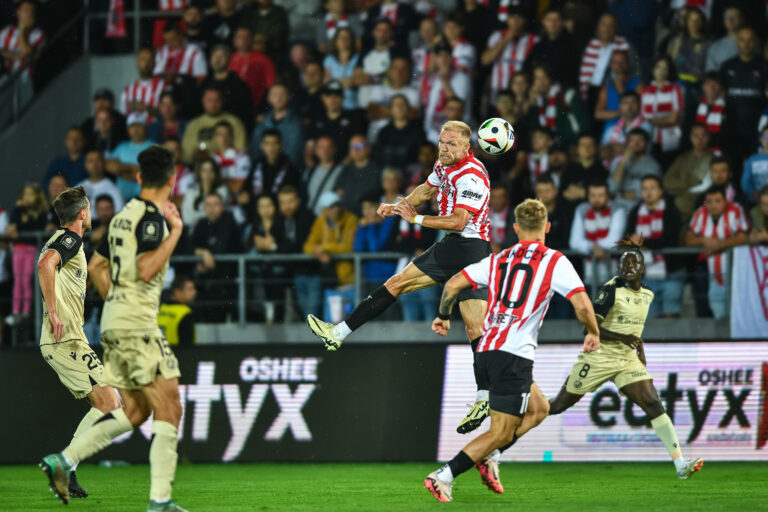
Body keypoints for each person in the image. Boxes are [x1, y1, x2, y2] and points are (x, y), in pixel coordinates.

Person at [308, 121, 495, 434]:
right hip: (461, 250)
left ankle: (338, 332)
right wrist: (399, 205)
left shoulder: (473, 175)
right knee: (461, 320)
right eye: (441, 142)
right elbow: (427, 188)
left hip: (468, 250)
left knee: (465, 322)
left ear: (467, 147)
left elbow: (459, 221)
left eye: (451, 144)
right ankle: (485, 395)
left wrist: (416, 218)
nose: (444, 148)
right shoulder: (444, 164)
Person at [423, 198, 600, 502]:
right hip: (513, 354)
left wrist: (442, 315)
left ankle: (490, 457)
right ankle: (443, 476)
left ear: (516, 228)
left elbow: (453, 284)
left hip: (488, 349)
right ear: (547, 227)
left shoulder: (498, 259)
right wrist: (593, 332)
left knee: (540, 408)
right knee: (502, 432)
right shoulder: (553, 260)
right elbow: (583, 304)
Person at [41, 146, 188, 512]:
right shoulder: (149, 220)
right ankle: (160, 501)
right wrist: (175, 234)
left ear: (138, 178)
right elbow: (146, 269)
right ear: (171, 180)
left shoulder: (122, 217)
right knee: (168, 404)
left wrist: (116, 303)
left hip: (112, 323)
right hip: (120, 326)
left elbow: (97, 269)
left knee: (131, 409)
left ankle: (66, 462)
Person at [544, 239, 703, 479]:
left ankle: (680, 464)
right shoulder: (611, 290)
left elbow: (634, 332)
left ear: (643, 269)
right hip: (599, 356)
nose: (628, 265)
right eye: (624, 262)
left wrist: (639, 349)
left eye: (634, 262)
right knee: (556, 406)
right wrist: (622, 336)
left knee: (653, 404)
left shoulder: (647, 295)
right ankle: (518, 412)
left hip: (626, 360)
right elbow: (590, 326)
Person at [36, 186, 121, 501]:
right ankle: (64, 465)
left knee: (105, 404)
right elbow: (45, 265)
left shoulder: (68, 243)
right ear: (83, 212)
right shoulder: (68, 239)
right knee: (111, 403)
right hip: (65, 340)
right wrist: (54, 313)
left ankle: (67, 468)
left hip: (69, 339)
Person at [686, 185, 750, 318]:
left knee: (737, 313)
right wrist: (704, 240)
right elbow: (689, 239)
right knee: (718, 313)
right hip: (714, 274)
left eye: (717, 200)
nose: (713, 205)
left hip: (735, 272)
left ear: (725, 201)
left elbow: (744, 238)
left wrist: (719, 245)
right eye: (709, 201)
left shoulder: (736, 210)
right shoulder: (700, 213)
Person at [625, 175, 684, 318]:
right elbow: (628, 238)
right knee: (650, 323)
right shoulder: (635, 212)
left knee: (671, 320)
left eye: (652, 188)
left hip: (671, 273)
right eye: (644, 189)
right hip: (646, 275)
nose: (648, 192)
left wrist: (643, 242)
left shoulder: (671, 211)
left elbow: (671, 241)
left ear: (660, 191)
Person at [302, 191, 358, 310]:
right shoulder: (320, 222)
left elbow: (348, 247)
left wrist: (324, 248)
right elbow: (307, 246)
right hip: (331, 283)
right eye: (331, 207)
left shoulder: (351, 219)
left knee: (352, 322)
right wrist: (318, 252)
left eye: (338, 205)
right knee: (331, 325)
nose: (336, 209)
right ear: (324, 210)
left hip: (349, 282)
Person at [721, 27, 768, 166]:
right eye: (742, 40)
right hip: (733, 128)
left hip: (757, 130)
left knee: (756, 167)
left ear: (756, 42)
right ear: (737, 41)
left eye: (750, 40)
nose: (746, 44)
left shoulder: (764, 66)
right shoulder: (727, 66)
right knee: (733, 168)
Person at [192, 193, 242, 323]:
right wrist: (202, 252)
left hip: (228, 281)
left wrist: (205, 254)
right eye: (208, 205)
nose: (212, 208)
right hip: (207, 280)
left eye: (216, 205)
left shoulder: (229, 220)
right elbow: (189, 246)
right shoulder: (201, 223)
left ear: (222, 207)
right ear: (204, 208)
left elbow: (222, 248)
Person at [5, 183, 49, 326]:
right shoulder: (18, 211)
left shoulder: (41, 212)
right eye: (26, 195)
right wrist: (18, 208)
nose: (28, 198)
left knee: (26, 279)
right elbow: (13, 223)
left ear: (37, 196)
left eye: (31, 194)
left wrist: (21, 226)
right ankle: (16, 311)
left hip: (31, 249)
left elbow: (36, 226)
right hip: (18, 248)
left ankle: (26, 310)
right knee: (18, 280)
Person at [569, 181, 627, 288]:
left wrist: (591, 246)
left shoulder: (618, 209)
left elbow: (614, 240)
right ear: (588, 196)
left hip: (614, 276)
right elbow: (574, 241)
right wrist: (593, 247)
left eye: (600, 195)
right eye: (593, 195)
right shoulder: (582, 209)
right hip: (588, 276)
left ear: (608, 196)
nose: (596, 199)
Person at [272, 185, 317, 317]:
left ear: (298, 201)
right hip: (293, 274)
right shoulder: (279, 219)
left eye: (290, 201)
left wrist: (275, 246)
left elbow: (300, 246)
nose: (287, 206)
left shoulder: (307, 217)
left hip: (310, 272)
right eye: (283, 202)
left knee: (311, 317)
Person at [481, 7, 538, 102]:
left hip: (521, 95)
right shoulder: (497, 36)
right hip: (498, 92)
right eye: (512, 18)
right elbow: (485, 60)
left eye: (519, 18)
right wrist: (505, 39)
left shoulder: (534, 40)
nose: (515, 21)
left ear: (525, 21)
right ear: (507, 20)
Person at [358, 56, 420, 143]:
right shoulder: (378, 89)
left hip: (401, 138)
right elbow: (371, 113)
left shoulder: (413, 93)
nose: (399, 72)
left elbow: (412, 115)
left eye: (403, 69)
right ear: (390, 71)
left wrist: (381, 109)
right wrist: (400, 112)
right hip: (375, 137)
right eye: (396, 68)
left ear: (409, 72)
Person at [526, 65, 590, 147]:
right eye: (537, 78)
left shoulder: (566, 96)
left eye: (544, 77)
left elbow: (584, 124)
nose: (540, 82)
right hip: (549, 148)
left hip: (572, 145)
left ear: (551, 79)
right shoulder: (536, 101)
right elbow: (534, 129)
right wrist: (533, 105)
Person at [578, 13, 631, 109]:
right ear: (598, 26)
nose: (606, 28)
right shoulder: (590, 45)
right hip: (590, 91)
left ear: (616, 28)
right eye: (603, 24)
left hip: (610, 90)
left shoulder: (623, 45)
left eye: (610, 25)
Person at [423, 42, 472, 144]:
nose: (443, 59)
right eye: (439, 56)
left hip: (455, 133)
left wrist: (444, 80)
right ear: (435, 59)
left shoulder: (461, 77)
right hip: (431, 132)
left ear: (451, 58)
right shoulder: (432, 78)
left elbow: (457, 108)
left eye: (446, 55)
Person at [181, 87, 247, 164]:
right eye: (209, 100)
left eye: (216, 100)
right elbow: (186, 155)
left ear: (222, 101)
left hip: (228, 167)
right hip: (199, 168)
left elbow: (242, 151)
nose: (213, 104)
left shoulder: (234, 122)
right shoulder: (194, 124)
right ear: (203, 101)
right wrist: (195, 156)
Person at [663, 123, 714, 222]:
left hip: (703, 202)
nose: (700, 139)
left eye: (703, 136)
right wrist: (690, 182)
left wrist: (681, 186)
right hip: (681, 202)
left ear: (708, 137)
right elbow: (667, 181)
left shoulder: (714, 158)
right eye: (696, 136)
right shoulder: (682, 158)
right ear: (691, 137)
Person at [242, 129, 300, 213]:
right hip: (256, 213)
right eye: (267, 144)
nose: (271, 148)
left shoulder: (290, 169)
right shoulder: (256, 164)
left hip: (278, 214)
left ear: (281, 145)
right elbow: (246, 188)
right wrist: (244, 194)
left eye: (275, 143)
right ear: (262, 146)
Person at [200, 44, 255, 133]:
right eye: (215, 55)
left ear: (229, 59)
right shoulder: (204, 84)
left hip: (233, 132)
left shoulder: (239, 86)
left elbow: (247, 115)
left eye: (222, 56)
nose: (217, 59)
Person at [0, 0, 45, 105]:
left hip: (25, 79)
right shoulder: (6, 31)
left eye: (32, 11)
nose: (30, 13)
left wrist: (22, 30)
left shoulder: (38, 34)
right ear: (18, 12)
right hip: (6, 76)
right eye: (26, 10)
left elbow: (29, 55)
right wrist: (19, 56)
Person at [250, 83, 305, 168]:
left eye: (282, 94)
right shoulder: (263, 122)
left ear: (289, 97)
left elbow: (293, 155)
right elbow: (255, 150)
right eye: (275, 94)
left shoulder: (296, 124)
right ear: (269, 98)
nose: (279, 98)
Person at [641, 56, 684, 165]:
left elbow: (673, 119)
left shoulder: (675, 89)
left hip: (670, 138)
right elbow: (642, 117)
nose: (661, 71)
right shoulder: (645, 91)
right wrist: (663, 119)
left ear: (669, 72)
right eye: (658, 67)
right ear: (653, 69)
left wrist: (650, 120)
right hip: (649, 138)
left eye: (665, 68)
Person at [608, 128, 662, 211]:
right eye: (632, 140)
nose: (636, 144)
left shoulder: (652, 165)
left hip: (638, 207)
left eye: (640, 140)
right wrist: (623, 161)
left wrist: (620, 194)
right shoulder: (618, 162)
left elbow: (649, 193)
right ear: (627, 143)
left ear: (646, 143)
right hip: (615, 205)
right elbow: (611, 188)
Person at [107, 112, 156, 201]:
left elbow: (150, 174)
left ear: (146, 128)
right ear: (128, 129)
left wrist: (123, 169)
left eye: (139, 125)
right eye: (132, 126)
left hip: (147, 199)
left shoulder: (155, 147)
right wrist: (136, 169)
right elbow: (110, 167)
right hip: (122, 199)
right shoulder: (121, 147)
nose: (136, 129)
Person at [308, 80, 366, 156]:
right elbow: (310, 145)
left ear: (343, 97)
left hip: (346, 164)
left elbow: (359, 145)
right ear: (322, 98)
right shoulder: (317, 119)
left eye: (337, 95)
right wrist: (310, 163)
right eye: (328, 95)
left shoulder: (353, 118)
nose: (333, 100)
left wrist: (346, 163)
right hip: (321, 165)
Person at [595, 51, 641, 143]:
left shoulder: (638, 85)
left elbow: (639, 112)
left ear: (628, 64)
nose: (619, 66)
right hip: (610, 133)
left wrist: (621, 90)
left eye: (622, 62)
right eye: (615, 63)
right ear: (611, 65)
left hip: (633, 131)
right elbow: (598, 114)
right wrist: (621, 112)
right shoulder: (607, 87)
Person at [526, 8, 579, 88]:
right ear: (543, 21)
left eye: (556, 20)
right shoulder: (538, 45)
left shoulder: (571, 46)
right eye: (549, 20)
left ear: (563, 22)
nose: (552, 23)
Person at [229, 26, 277, 112]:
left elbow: (272, 86)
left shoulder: (264, 60)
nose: (244, 40)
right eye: (240, 37)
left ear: (252, 40)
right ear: (235, 40)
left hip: (255, 106)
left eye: (247, 37)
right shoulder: (229, 58)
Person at [354, 195, 398, 286]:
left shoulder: (388, 222)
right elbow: (358, 249)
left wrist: (372, 225)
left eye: (370, 207)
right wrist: (362, 228)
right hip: (369, 277)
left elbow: (375, 247)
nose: (367, 212)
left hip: (388, 277)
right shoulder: (364, 225)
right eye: (364, 208)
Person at [372, 94, 424, 169]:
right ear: (391, 110)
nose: (399, 108)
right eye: (396, 105)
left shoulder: (418, 132)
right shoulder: (383, 132)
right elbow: (378, 158)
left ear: (408, 108)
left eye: (402, 104)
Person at [335, 134, 381, 216]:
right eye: (352, 146)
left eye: (360, 146)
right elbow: (338, 193)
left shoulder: (377, 170)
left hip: (368, 217)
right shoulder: (346, 170)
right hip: (346, 217)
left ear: (368, 148)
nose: (356, 149)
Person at [181, 158, 231, 233]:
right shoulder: (192, 192)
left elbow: (216, 215)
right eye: (204, 170)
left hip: (217, 230)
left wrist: (208, 191)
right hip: (195, 232)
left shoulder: (222, 190)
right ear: (200, 173)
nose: (208, 174)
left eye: (211, 170)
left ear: (215, 173)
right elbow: (187, 218)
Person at [601, 91, 652, 159]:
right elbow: (602, 152)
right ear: (620, 106)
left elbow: (639, 150)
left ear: (639, 105)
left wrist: (612, 148)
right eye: (625, 103)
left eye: (633, 102)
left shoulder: (646, 126)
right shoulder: (612, 129)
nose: (629, 107)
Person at [561, 134, 609, 206]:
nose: (587, 148)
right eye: (583, 145)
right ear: (577, 148)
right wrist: (585, 193)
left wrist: (584, 193)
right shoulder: (569, 170)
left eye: (590, 145)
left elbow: (603, 196)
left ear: (595, 148)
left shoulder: (602, 171)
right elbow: (563, 193)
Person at [121, 48, 167, 118]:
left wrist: (146, 108)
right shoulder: (128, 90)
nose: (146, 63)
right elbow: (123, 116)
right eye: (143, 59)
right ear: (137, 62)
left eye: (150, 60)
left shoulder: (163, 87)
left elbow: (169, 115)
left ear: (154, 63)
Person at [211, 120, 251, 200]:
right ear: (214, 137)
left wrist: (218, 181)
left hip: (235, 205)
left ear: (232, 136)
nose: (223, 138)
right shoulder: (212, 158)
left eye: (227, 134)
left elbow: (237, 188)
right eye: (220, 134)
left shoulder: (242, 158)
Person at [323, 27, 361, 111]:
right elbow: (326, 83)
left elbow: (354, 82)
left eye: (346, 38)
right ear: (335, 41)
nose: (343, 40)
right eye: (340, 37)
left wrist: (335, 81)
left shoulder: (358, 58)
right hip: (334, 104)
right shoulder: (329, 60)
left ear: (352, 41)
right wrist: (345, 81)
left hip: (353, 104)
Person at [305, 136, 344, 216]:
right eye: (321, 147)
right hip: (310, 217)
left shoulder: (342, 171)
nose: (325, 151)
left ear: (334, 149)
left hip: (329, 218)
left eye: (328, 147)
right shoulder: (310, 171)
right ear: (316, 150)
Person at [78, 150, 125, 216]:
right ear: (85, 164)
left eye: (98, 160)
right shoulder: (77, 188)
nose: (95, 164)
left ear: (103, 164)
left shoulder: (114, 189)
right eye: (91, 161)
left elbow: (119, 214)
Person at [80, 88, 128, 152]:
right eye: (97, 100)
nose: (101, 103)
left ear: (112, 103)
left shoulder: (123, 121)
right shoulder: (87, 124)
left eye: (105, 100)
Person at [43, 127, 87, 191]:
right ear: (66, 141)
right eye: (70, 139)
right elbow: (46, 183)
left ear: (84, 141)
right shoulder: (57, 162)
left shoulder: (88, 162)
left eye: (77, 139)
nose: (73, 142)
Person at [158, 275, 197, 347]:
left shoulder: (161, 309)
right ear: (177, 292)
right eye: (190, 289)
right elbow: (188, 347)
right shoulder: (185, 313)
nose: (194, 292)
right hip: (177, 354)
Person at [694, 72, 726, 155]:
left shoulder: (729, 110)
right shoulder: (693, 108)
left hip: (719, 153)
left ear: (721, 87)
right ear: (703, 86)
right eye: (708, 83)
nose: (711, 87)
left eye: (715, 84)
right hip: (696, 152)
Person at [705, 6, 743, 72]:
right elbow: (711, 73)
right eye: (727, 17)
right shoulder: (715, 46)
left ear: (741, 20)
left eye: (734, 16)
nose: (730, 20)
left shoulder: (751, 43)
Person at [742, 126, 768, 204]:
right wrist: (752, 193)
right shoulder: (752, 160)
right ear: (761, 139)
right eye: (766, 136)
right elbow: (745, 183)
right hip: (758, 201)